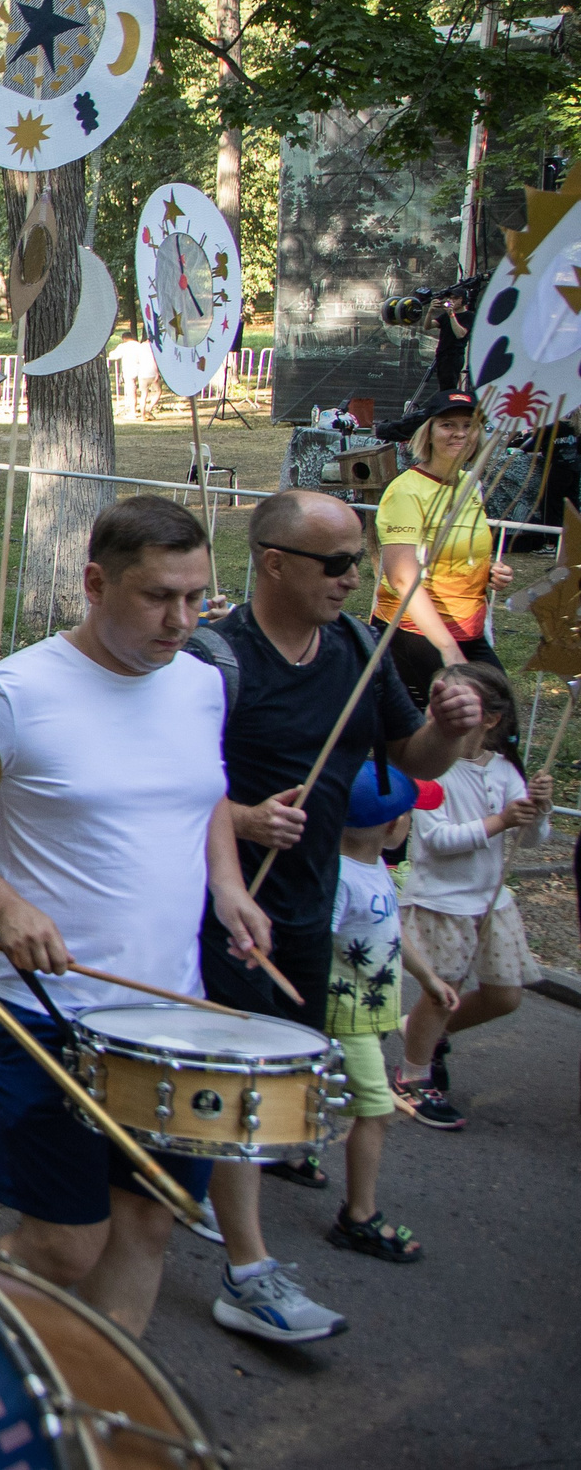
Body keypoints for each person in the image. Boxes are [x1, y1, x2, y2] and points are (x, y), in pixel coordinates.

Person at [0, 496, 276, 1339]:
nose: (181, 619)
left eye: (197, 597)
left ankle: (106, 1420)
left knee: (149, 1223)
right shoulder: (13, 692)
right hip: (51, 1012)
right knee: (64, 1243)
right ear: (93, 582)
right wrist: (3, 902)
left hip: (174, 1015)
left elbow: (205, 793)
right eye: (157, 596)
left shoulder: (198, 683)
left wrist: (229, 884)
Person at [193, 485, 475, 1311]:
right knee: (237, 1083)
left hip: (311, 905)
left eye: (359, 559)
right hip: (221, 906)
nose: (355, 577)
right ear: (275, 563)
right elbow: (161, 783)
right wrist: (241, 819)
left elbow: (413, 757)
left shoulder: (356, 645)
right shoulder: (216, 658)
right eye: (340, 562)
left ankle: (185, 1189)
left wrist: (450, 726)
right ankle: (248, 1268)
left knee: (271, 1077)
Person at [395, 661, 551, 1129]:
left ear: (489, 719)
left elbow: (533, 840)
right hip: (442, 902)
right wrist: (500, 821)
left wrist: (536, 813)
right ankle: (413, 1077)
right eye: (435, 701)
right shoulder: (431, 771)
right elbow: (436, 841)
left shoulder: (504, 769)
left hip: (491, 902)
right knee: (441, 996)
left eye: (456, 701)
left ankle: (421, 1034)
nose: (437, 710)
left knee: (505, 996)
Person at [322, 762, 450, 1263]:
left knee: (324, 1092)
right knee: (375, 1111)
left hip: (368, 1013)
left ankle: (295, 1152)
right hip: (344, 1015)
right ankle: (358, 1217)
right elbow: (315, 942)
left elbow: (392, 931)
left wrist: (428, 977)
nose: (410, 823)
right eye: (407, 816)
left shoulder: (375, 868)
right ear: (391, 826)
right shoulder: (341, 878)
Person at [373, 391, 512, 699]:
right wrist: (447, 649)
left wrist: (489, 571)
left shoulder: (468, 484)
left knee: (497, 713)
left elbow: (458, 550)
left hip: (467, 627)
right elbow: (401, 576)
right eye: (448, 425)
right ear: (429, 433)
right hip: (416, 631)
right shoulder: (406, 491)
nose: (460, 433)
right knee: (460, 719)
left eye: (469, 425)